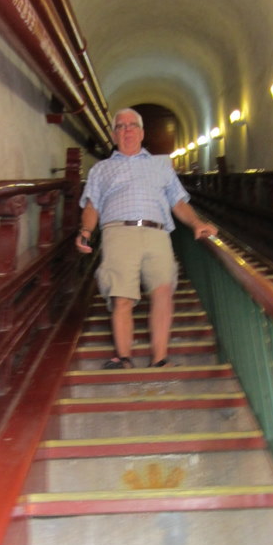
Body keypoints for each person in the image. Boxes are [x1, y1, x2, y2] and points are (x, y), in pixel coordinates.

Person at [75, 108, 217, 369]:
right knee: (121, 296)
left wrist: (197, 223)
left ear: (142, 132)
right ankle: (124, 358)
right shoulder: (101, 169)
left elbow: (178, 202)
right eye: (120, 126)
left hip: (157, 232)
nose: (126, 130)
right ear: (113, 135)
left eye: (132, 125)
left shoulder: (161, 165)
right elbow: (92, 206)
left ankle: (159, 359)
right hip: (118, 231)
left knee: (163, 291)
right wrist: (85, 231)